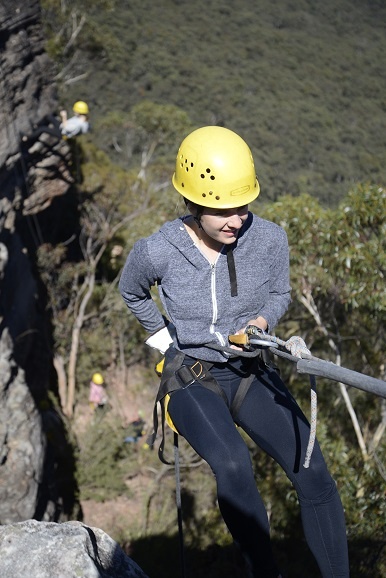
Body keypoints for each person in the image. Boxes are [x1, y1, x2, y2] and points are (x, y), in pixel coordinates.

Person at [118, 126, 349, 578]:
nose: (236, 220)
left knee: (315, 473)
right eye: (222, 210)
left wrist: (260, 324)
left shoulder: (268, 239)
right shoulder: (159, 251)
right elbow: (133, 293)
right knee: (231, 463)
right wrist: (166, 343)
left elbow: (280, 293)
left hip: (250, 371)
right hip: (191, 376)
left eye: (242, 207)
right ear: (192, 203)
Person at [21, 101, 90, 145]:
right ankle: (36, 128)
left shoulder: (79, 125)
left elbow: (67, 128)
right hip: (61, 126)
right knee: (48, 117)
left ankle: (26, 138)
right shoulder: (81, 119)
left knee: (43, 129)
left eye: (75, 111)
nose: (74, 112)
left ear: (79, 112)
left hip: (62, 133)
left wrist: (64, 116)